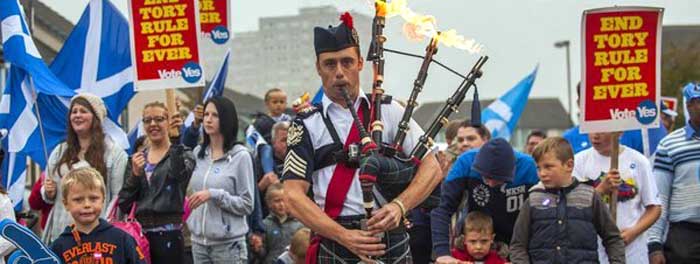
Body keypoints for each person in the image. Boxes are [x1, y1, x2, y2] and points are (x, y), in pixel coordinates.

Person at [281, 12, 441, 263]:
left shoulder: (389, 110)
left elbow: (433, 167)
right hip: (336, 238)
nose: (340, 72)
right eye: (330, 64)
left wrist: (400, 206)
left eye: (347, 62)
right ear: (318, 68)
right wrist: (344, 236)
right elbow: (292, 195)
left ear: (359, 64)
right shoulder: (305, 124)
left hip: (390, 232)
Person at [510, 137, 625, 263]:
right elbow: (518, 245)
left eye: (548, 167)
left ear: (569, 165)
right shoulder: (533, 199)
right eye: (538, 168)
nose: (542, 173)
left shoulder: (589, 196)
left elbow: (613, 238)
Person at [432, 138, 538, 264]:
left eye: (499, 180)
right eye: (486, 178)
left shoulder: (529, 167)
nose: (491, 184)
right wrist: (443, 253)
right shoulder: (465, 163)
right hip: (476, 239)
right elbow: (442, 209)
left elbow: (540, 216)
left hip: (516, 241)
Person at [42, 93, 127, 244]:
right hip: (63, 234)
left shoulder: (114, 154)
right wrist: (48, 192)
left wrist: (105, 229)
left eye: (83, 111)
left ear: (96, 117)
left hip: (97, 236)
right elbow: (49, 193)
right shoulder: (60, 151)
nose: (77, 115)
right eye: (74, 112)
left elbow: (117, 198)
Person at [118, 101, 194, 264]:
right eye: (147, 120)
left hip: (170, 237)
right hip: (139, 237)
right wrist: (135, 175)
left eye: (159, 119)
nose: (153, 124)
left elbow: (178, 175)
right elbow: (124, 203)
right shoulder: (136, 160)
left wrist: (176, 141)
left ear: (168, 122)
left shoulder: (184, 154)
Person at [573, 132, 661, 263]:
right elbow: (574, 208)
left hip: (632, 253)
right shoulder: (579, 161)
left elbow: (654, 208)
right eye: (592, 129)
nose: (595, 135)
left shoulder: (639, 161)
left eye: (602, 129)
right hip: (592, 252)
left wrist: (632, 233)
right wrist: (600, 190)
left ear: (619, 132)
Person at [187, 96, 255, 264]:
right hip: (198, 244)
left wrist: (214, 194)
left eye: (215, 115)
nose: (208, 119)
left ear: (226, 119)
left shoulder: (241, 156)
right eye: (206, 114)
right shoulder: (198, 153)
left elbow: (247, 204)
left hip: (228, 247)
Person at [648, 83, 700, 264]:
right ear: (689, 106)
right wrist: (654, 245)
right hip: (684, 237)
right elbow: (659, 197)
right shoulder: (669, 145)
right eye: (699, 102)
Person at [50, 167, 146, 264]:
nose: (87, 205)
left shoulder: (122, 239)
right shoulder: (58, 246)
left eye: (93, 198)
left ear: (103, 200)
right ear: (66, 204)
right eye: (78, 200)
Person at [258, 183, 303, 263]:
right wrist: (258, 249)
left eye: (284, 200)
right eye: (277, 201)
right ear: (269, 203)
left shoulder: (299, 224)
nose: (281, 204)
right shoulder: (264, 225)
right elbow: (262, 254)